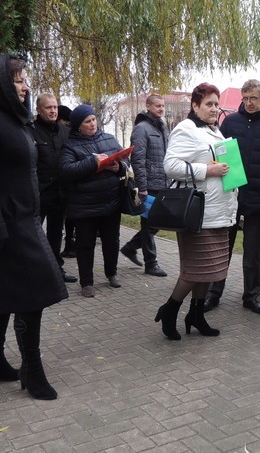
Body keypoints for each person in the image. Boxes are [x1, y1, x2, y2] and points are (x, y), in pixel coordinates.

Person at [0, 55, 68, 399]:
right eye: (19, 80)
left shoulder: (14, 119)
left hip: (22, 219)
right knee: (29, 294)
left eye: (24, 80)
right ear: (0, 83)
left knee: (2, 291)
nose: (26, 86)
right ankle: (31, 370)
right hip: (0, 223)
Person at [155, 83, 237, 340]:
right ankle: (170, 310)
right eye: (209, 104)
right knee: (194, 271)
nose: (214, 109)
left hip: (220, 212)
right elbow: (170, 165)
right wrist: (207, 171)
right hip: (198, 214)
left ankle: (196, 314)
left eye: (216, 104)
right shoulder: (186, 129)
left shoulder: (216, 131)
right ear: (195, 106)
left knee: (211, 271)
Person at [204, 79, 260, 315]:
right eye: (245, 98)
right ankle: (213, 294)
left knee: (253, 252)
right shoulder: (230, 122)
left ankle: (251, 295)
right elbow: (218, 154)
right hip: (230, 195)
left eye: (253, 98)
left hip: (258, 197)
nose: (249, 103)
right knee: (222, 249)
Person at [59, 104, 124, 297]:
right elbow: (65, 170)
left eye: (94, 119)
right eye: (87, 121)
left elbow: (125, 162)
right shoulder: (70, 145)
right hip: (84, 206)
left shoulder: (109, 138)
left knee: (111, 241)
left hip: (111, 201)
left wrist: (118, 168)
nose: (92, 123)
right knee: (85, 244)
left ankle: (111, 273)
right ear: (78, 125)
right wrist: (92, 162)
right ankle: (87, 283)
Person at [120, 94, 170, 277]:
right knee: (149, 224)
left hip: (163, 182)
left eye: (163, 105)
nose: (161, 109)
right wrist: (142, 187)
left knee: (156, 223)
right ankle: (151, 263)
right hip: (149, 184)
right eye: (157, 105)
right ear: (148, 106)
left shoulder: (163, 127)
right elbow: (138, 159)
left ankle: (130, 247)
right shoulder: (142, 129)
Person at [30, 94, 77, 284]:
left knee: (56, 234)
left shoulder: (64, 132)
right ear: (39, 110)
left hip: (60, 193)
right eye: (48, 108)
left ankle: (57, 268)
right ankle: (33, 270)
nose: (53, 111)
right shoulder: (30, 131)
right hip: (39, 193)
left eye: (55, 107)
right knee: (33, 235)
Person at [56, 105, 77, 259]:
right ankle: (70, 245)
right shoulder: (72, 135)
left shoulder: (66, 135)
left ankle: (70, 245)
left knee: (68, 218)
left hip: (66, 185)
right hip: (67, 185)